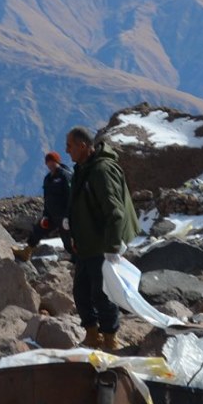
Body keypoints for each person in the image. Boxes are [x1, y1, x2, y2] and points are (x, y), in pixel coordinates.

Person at [64, 125, 136, 351]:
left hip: (101, 244)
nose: (67, 151)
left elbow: (115, 212)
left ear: (83, 146)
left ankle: (111, 339)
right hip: (86, 244)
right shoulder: (83, 169)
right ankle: (92, 335)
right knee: (81, 292)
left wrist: (112, 247)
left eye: (70, 146)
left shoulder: (101, 171)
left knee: (102, 293)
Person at [17, 150, 71, 261]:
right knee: (38, 230)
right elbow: (47, 198)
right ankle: (26, 252)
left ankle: (77, 261)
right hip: (51, 215)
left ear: (57, 161)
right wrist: (45, 215)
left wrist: (68, 216)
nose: (50, 164)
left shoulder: (65, 175)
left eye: (52, 162)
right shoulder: (47, 179)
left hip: (63, 216)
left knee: (68, 240)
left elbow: (71, 196)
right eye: (48, 162)